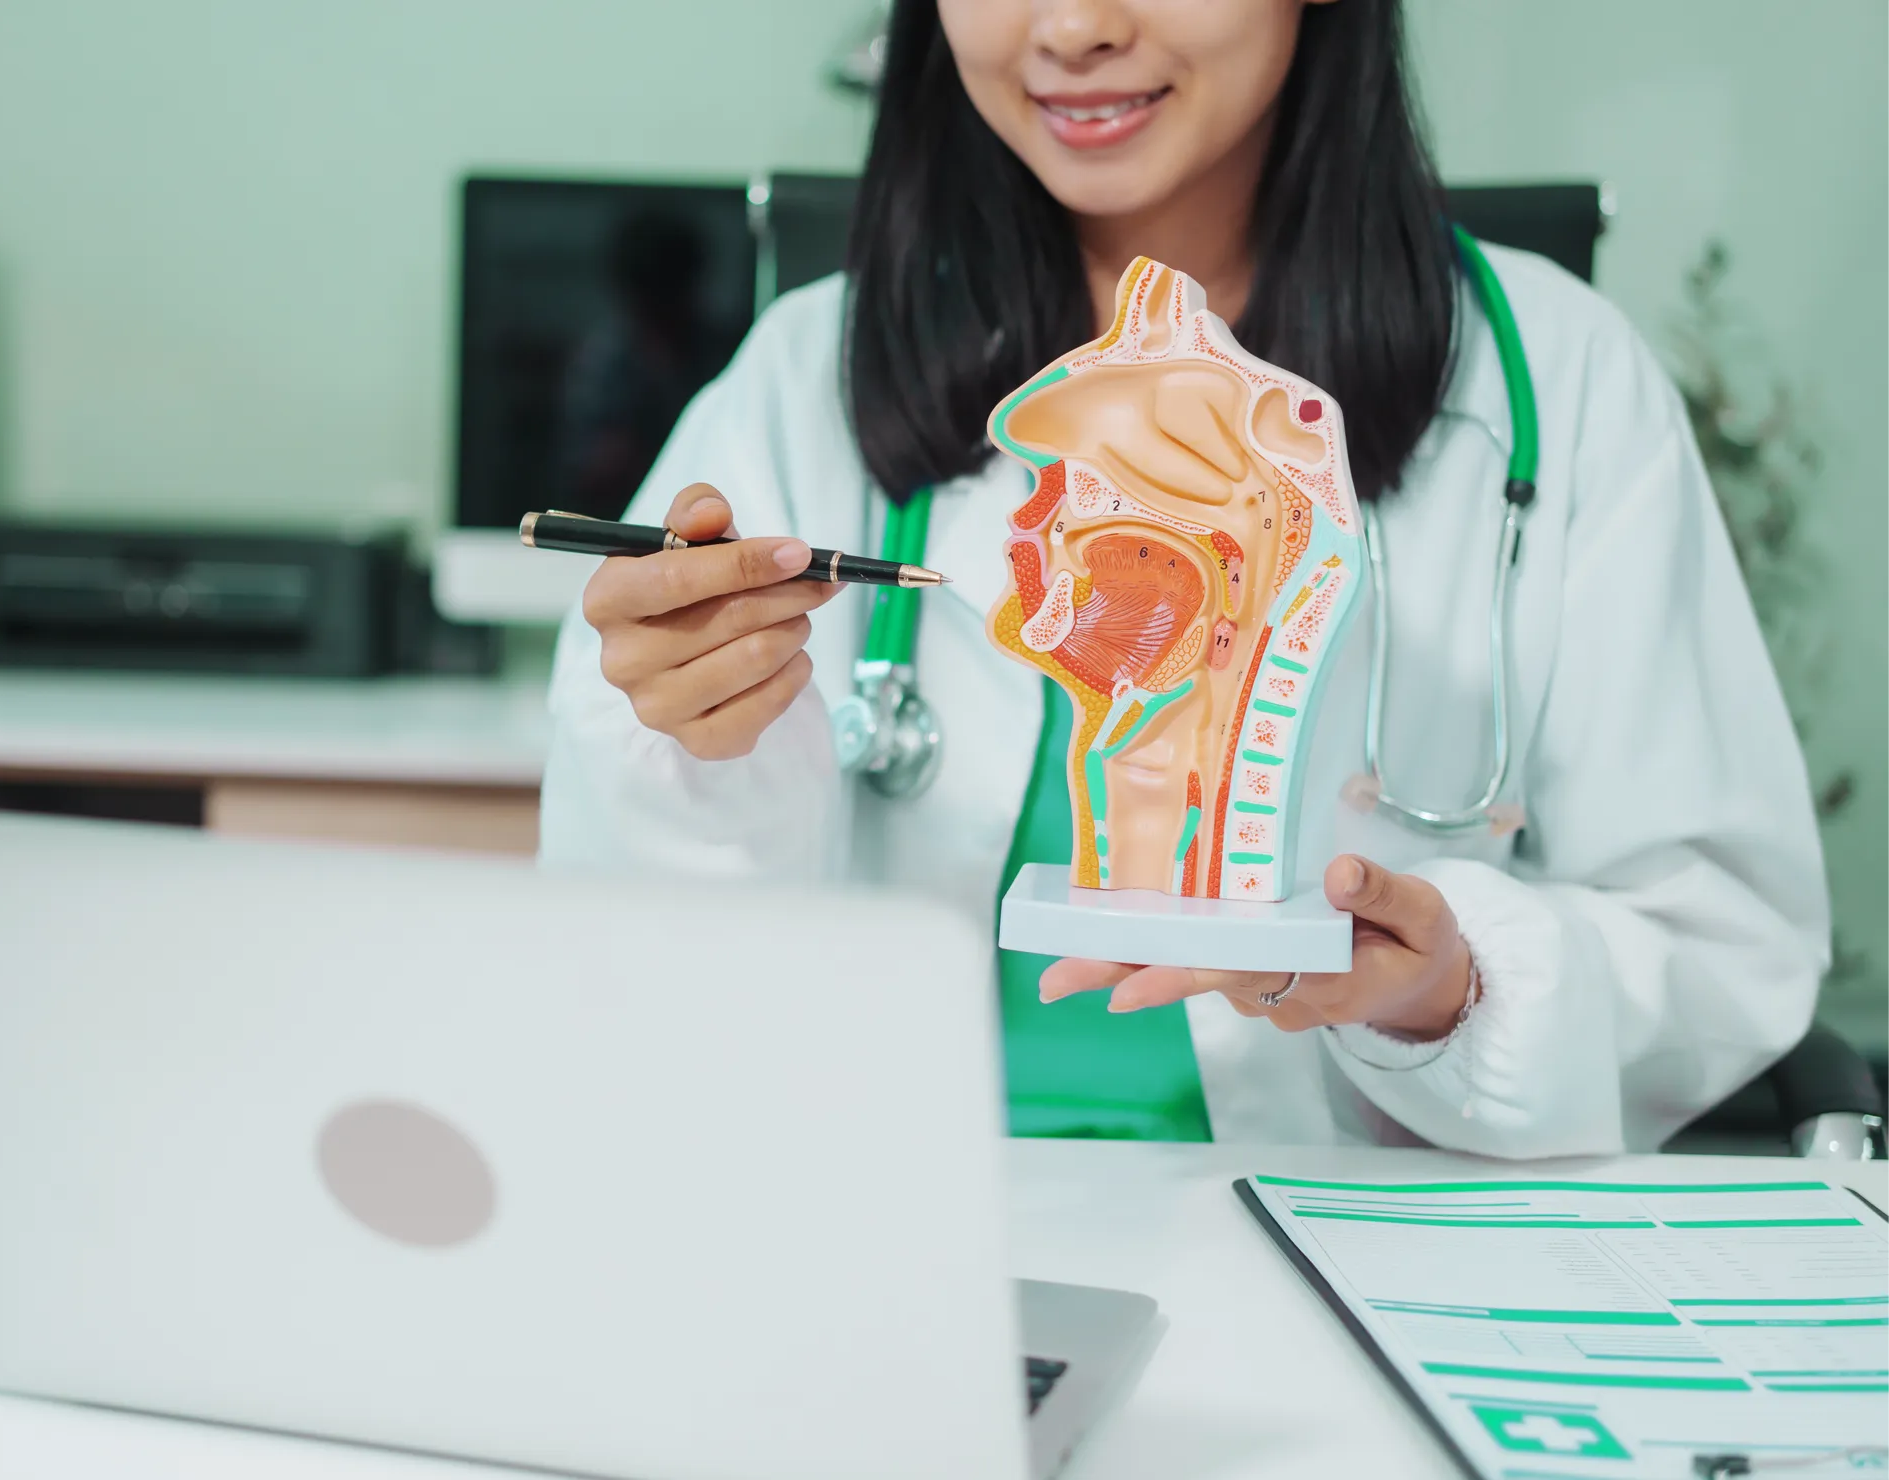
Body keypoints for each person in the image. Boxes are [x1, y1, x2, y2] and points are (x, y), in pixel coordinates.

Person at [538, 0, 1830, 1155]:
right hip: (907, 1219)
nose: (1072, 27)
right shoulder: (802, 374)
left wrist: (1458, 990)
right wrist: (694, 746)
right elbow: (642, 959)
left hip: (1343, 1237)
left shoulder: (1555, 379)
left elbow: (1716, 941)